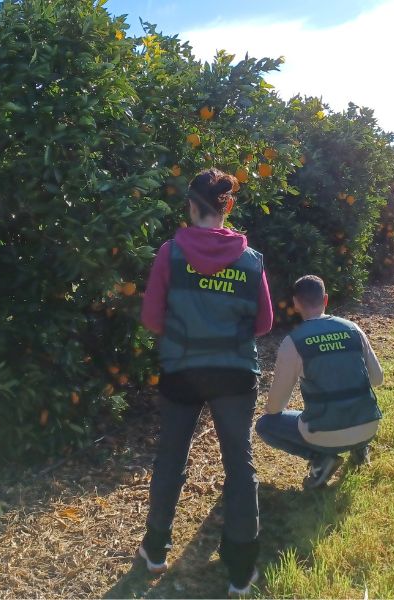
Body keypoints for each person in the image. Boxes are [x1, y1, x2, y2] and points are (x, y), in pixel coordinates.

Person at [137, 168, 273, 595]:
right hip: (234, 374)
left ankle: (155, 550)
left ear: (190, 205)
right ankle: (240, 569)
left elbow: (151, 319)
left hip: (182, 371)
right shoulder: (250, 261)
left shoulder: (170, 253)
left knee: (172, 458)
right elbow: (264, 323)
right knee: (239, 464)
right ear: (227, 206)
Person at [255, 274, 383, 489]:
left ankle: (322, 458)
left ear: (295, 304)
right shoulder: (353, 329)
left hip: (325, 435)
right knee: (352, 397)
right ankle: (360, 450)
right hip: (368, 427)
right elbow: (377, 379)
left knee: (266, 425)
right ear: (325, 299)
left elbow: (275, 407)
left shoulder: (293, 342)